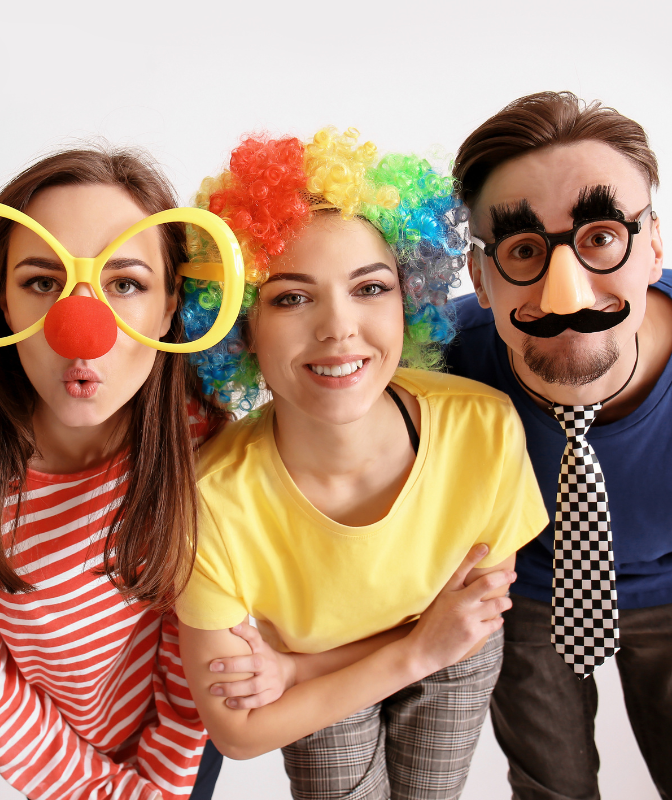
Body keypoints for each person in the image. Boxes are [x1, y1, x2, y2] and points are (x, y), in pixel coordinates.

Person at [174, 128, 548, 800]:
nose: (339, 328)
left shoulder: (483, 426)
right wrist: (401, 653)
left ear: (408, 298)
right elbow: (238, 732)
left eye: (369, 289)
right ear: (241, 325)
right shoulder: (209, 497)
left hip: (431, 661)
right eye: (291, 297)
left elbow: (473, 619)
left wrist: (295, 668)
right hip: (318, 679)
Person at [447, 91, 672, 799]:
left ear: (655, 245)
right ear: (480, 277)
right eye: (522, 250)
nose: (565, 291)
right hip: (529, 583)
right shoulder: (435, 358)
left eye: (600, 236)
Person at [0, 147, 253, 799]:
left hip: (180, 747)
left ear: (170, 304)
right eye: (41, 281)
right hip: (54, 765)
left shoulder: (207, 443)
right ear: (2, 301)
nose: (80, 327)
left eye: (126, 284)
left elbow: (191, 666)